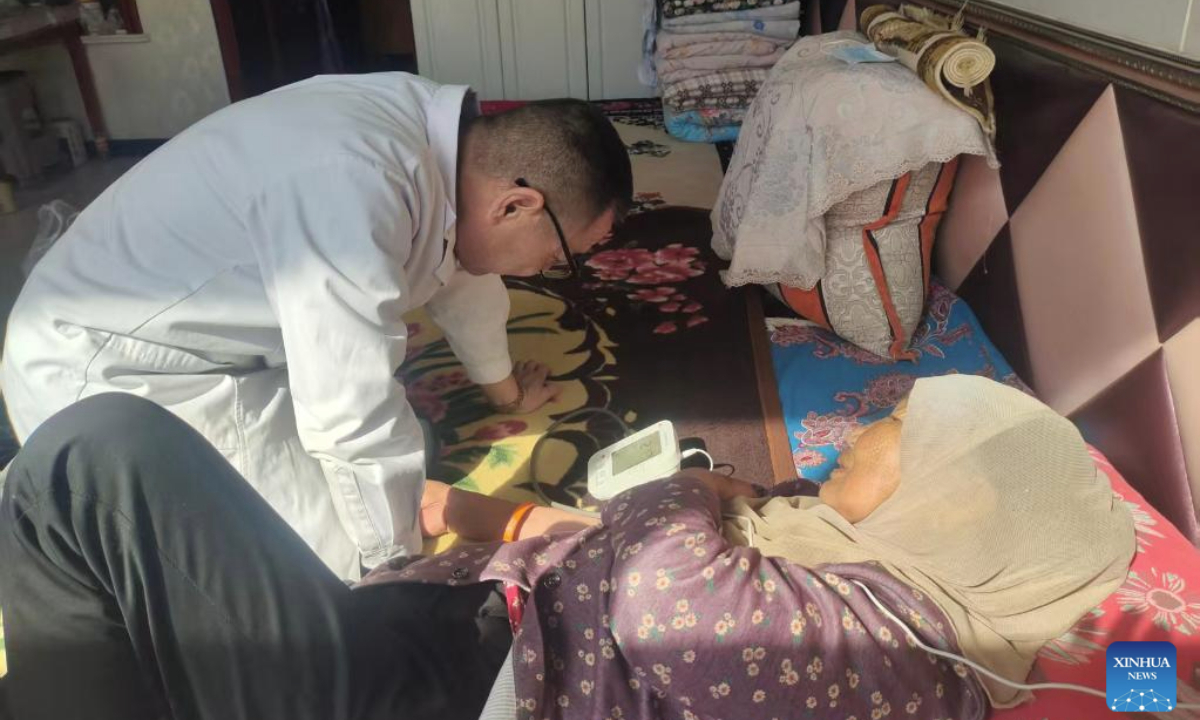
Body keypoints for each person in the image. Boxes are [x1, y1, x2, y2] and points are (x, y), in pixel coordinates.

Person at [0, 376, 1135, 719]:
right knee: (127, 583)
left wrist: (691, 492)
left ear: (951, 506)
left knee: (93, 460)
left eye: (883, 437)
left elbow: (665, 611)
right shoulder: (878, 583)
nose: (845, 443)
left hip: (449, 698)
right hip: (460, 640)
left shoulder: (900, 642)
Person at [0, 74, 633, 578]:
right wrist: (396, 567)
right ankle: (51, 502)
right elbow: (348, 406)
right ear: (517, 204)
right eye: (558, 257)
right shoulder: (356, 187)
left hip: (218, 341)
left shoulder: (448, 147)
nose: (544, 271)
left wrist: (506, 394)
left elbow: (463, 272)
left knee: (395, 475)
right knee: (323, 563)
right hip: (112, 373)